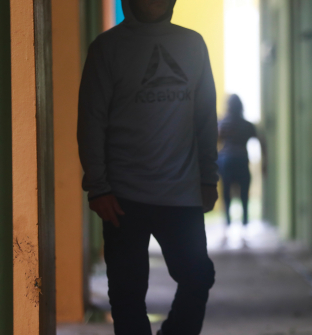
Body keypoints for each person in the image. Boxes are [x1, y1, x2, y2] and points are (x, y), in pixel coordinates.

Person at [77, 0, 218, 334]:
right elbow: (91, 121)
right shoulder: (106, 49)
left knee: (198, 276)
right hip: (122, 198)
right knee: (126, 296)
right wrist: (98, 186)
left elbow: (205, 118)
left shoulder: (193, 44)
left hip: (181, 193)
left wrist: (208, 177)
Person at [217, 94, 263, 227]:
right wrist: (265, 164)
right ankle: (245, 219)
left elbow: (214, 141)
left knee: (226, 191)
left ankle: (227, 219)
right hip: (242, 159)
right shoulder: (247, 125)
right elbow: (262, 141)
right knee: (244, 191)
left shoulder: (222, 122)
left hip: (225, 161)